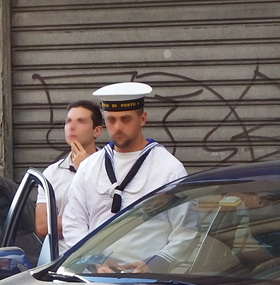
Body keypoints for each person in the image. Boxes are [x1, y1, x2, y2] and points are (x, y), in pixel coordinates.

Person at [61, 82, 187, 253]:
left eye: (125, 119)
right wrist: (93, 261)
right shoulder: (89, 167)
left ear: (142, 119)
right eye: (111, 120)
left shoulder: (169, 169)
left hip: (147, 276)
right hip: (94, 274)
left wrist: (154, 265)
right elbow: (74, 224)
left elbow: (184, 231)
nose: (118, 127)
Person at [34, 99, 104, 254]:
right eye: (68, 121)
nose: (71, 127)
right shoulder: (51, 173)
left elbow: (109, 220)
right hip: (61, 263)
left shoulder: (110, 168)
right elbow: (42, 228)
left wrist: (85, 170)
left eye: (81, 121)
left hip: (102, 258)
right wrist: (80, 222)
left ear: (97, 131)